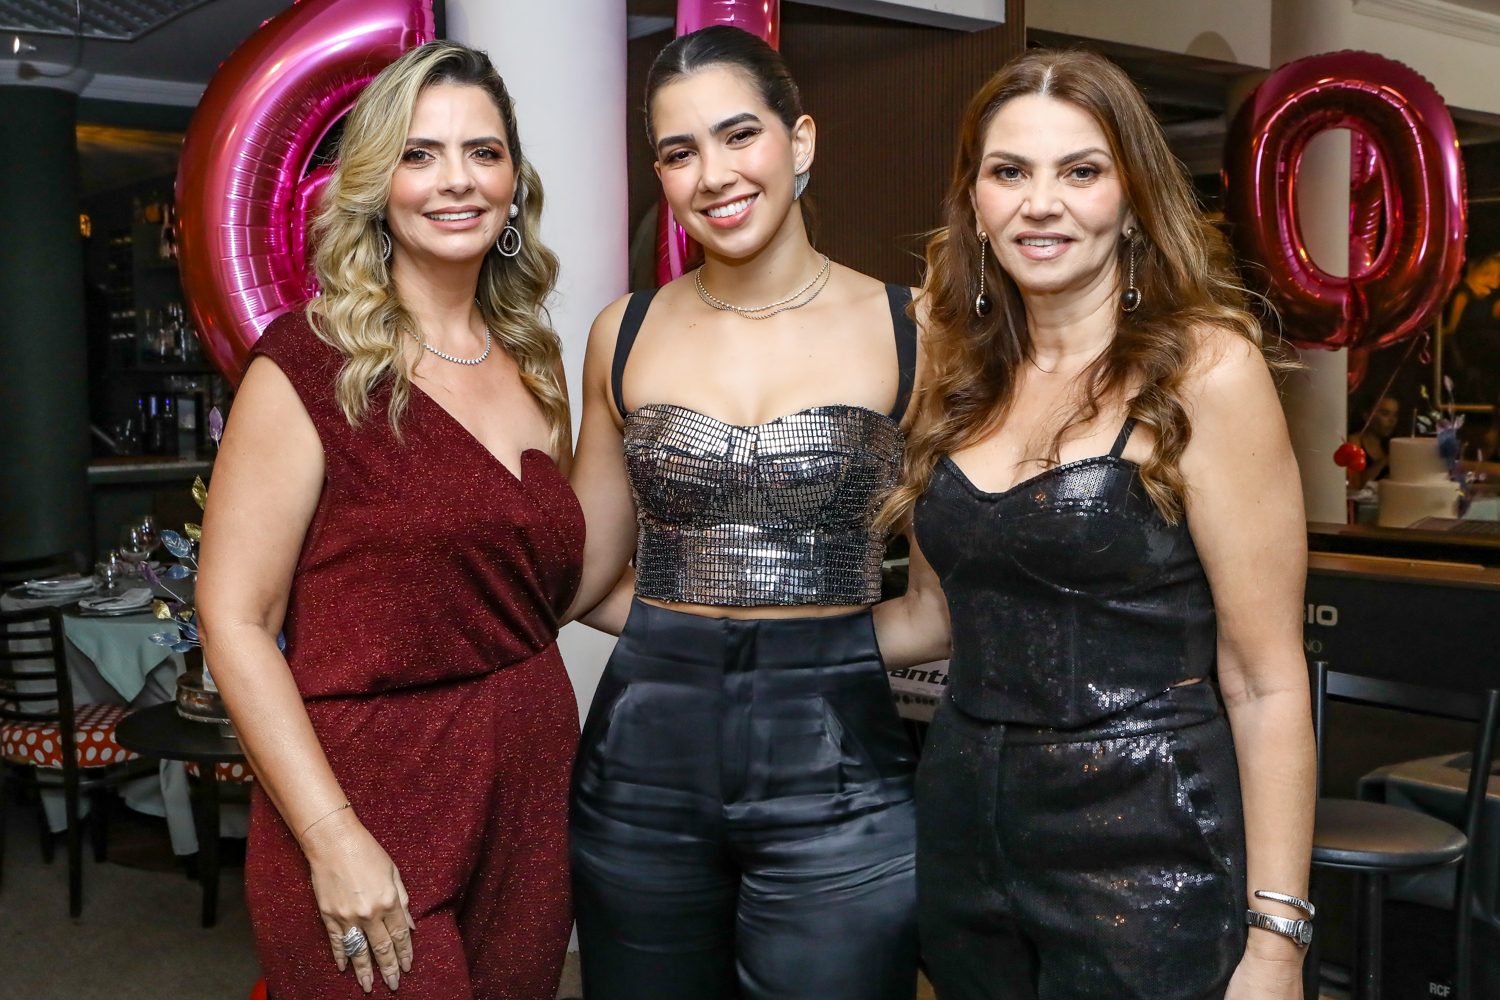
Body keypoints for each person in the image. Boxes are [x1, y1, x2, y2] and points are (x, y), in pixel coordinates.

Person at [874, 49, 1315, 999]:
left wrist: (1277, 940)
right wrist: (739, 635)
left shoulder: (1205, 372)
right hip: (963, 836)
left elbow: (1266, 680)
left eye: (1080, 171)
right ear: (975, 202)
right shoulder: (954, 374)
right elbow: (934, 616)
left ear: (1132, 197)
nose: (1042, 204)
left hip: (1149, 846)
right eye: (1010, 172)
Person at [196, 42, 584, 999]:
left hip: (529, 796)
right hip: (366, 793)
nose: (456, 180)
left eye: (483, 152)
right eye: (419, 154)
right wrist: (331, 837)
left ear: (513, 182)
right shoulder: (306, 364)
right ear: (377, 185)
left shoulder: (534, 362)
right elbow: (234, 618)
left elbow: (531, 584)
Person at [564, 25, 919, 1000]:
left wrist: (814, 652)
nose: (713, 175)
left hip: (843, 769)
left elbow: (943, 602)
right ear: (661, 176)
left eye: (738, 135)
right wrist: (682, 637)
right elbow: (583, 576)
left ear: (800, 140)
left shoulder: (915, 328)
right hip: (641, 765)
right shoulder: (623, 331)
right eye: (679, 152)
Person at [1445, 253, 1500, 404]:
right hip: (1472, 340)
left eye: (1497, 277)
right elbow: (1452, 327)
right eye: (1487, 274)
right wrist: (1445, 335)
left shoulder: (1489, 298)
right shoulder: (1463, 294)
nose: (1494, 281)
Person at [1348, 395, 1400, 487]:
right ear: (1367, 415)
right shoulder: (1355, 442)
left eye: (1395, 415)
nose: (1392, 420)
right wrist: (1382, 462)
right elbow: (1355, 484)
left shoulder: (1391, 444)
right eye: (1385, 414)